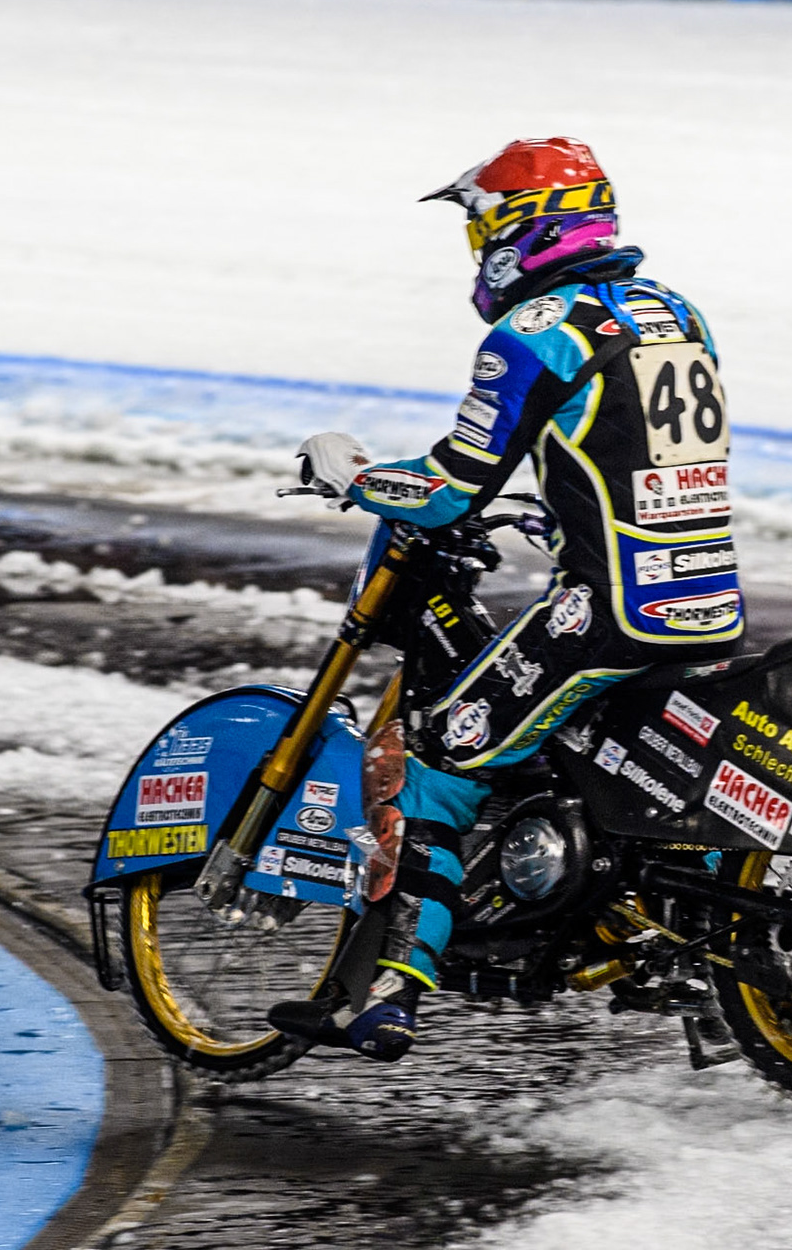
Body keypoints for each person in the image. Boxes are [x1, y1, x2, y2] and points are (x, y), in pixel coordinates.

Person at [282, 137, 742, 1061]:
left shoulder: (536, 331)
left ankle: (388, 992)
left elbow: (451, 487)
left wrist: (358, 478)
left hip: (609, 609)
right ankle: (697, 972)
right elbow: (621, 449)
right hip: (710, 599)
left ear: (519, 231)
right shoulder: (676, 313)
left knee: (446, 748)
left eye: (481, 226)